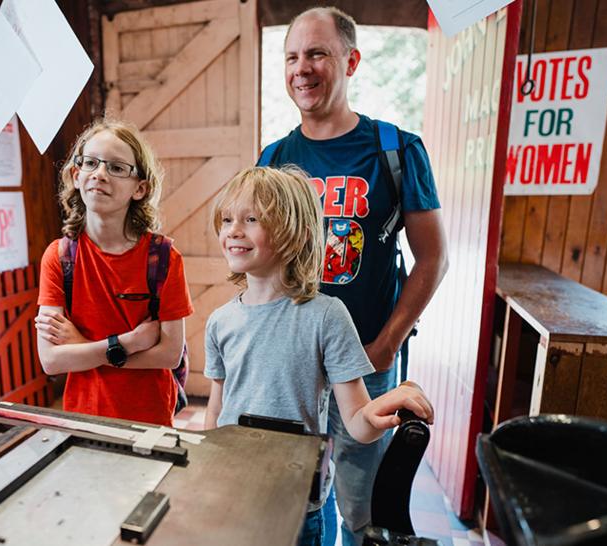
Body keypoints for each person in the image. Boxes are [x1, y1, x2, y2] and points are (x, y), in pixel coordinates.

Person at [262, 8, 449, 545]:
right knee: (298, 499)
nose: (303, 68)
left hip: (366, 357)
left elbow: (433, 259)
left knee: (363, 505)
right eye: (293, 56)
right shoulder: (274, 159)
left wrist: (387, 345)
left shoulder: (395, 149)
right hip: (294, 363)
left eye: (317, 53)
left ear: (351, 60)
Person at [203, 166, 434, 546]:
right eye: (227, 219)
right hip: (236, 495)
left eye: (251, 219)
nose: (233, 230)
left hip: (297, 508)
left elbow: (358, 423)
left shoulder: (326, 316)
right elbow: (216, 409)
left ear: (294, 233)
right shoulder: (219, 322)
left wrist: (388, 403)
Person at [35, 118, 193, 427]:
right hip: (83, 416)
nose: (100, 174)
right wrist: (127, 343)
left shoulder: (163, 258)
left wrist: (82, 347)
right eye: (91, 163)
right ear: (76, 175)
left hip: (150, 418)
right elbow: (52, 361)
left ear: (140, 188)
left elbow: (169, 355)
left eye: (117, 168)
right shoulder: (59, 257)